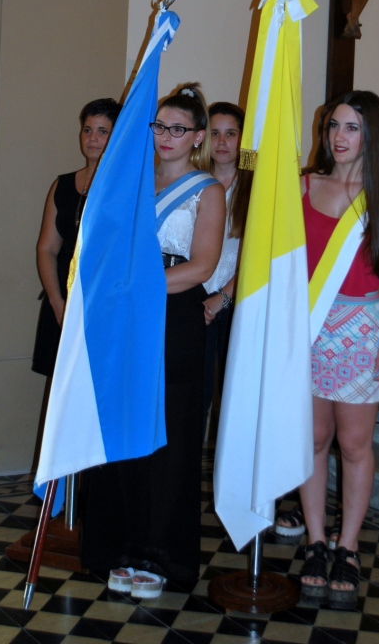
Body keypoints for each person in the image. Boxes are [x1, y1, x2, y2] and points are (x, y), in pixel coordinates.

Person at [81, 84, 225, 596]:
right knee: (120, 431)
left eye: (179, 129)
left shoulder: (207, 190)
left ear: (198, 137)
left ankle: (160, 556)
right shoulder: (131, 179)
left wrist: (137, 286)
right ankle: (117, 546)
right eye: (159, 126)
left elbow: (204, 266)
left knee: (169, 438)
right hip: (123, 312)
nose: (166, 136)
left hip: (171, 315)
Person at [297, 91, 379, 608]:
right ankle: (316, 540)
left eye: (351, 129)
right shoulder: (305, 184)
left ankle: (348, 546)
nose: (339, 138)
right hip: (308, 325)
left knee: (355, 444)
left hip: (361, 326)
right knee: (314, 438)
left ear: (372, 135)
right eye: (334, 127)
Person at [32, 98, 121, 379]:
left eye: (102, 131)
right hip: (62, 300)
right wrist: (59, 305)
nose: (93, 138)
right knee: (60, 387)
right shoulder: (62, 184)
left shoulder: (125, 187)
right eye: (87, 129)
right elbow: (47, 248)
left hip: (104, 303)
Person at [201, 102, 253, 435]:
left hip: (239, 301)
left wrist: (224, 296)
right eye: (215, 133)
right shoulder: (192, 182)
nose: (222, 142)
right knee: (197, 393)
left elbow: (258, 253)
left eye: (231, 134)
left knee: (237, 396)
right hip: (195, 299)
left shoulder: (257, 188)